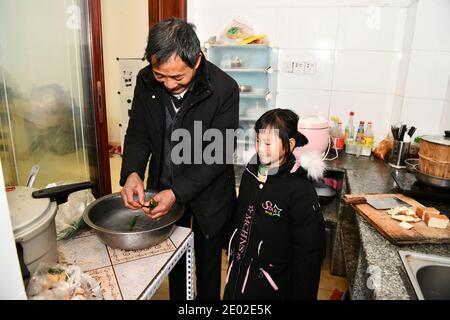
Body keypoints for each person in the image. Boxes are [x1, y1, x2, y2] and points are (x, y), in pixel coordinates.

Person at [119, 17, 239, 300]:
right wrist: (132, 172)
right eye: (161, 75)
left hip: (208, 194)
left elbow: (218, 155)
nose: (169, 84)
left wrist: (178, 192)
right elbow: (138, 131)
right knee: (174, 260)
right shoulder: (146, 80)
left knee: (208, 265)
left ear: (196, 61)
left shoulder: (223, 89)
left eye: (178, 77)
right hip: (164, 186)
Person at [223, 108, 326, 300]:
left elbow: (308, 255)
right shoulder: (251, 173)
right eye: (258, 140)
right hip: (238, 275)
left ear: (290, 144)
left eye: (268, 143)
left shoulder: (299, 190)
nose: (261, 148)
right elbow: (240, 217)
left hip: (271, 286)